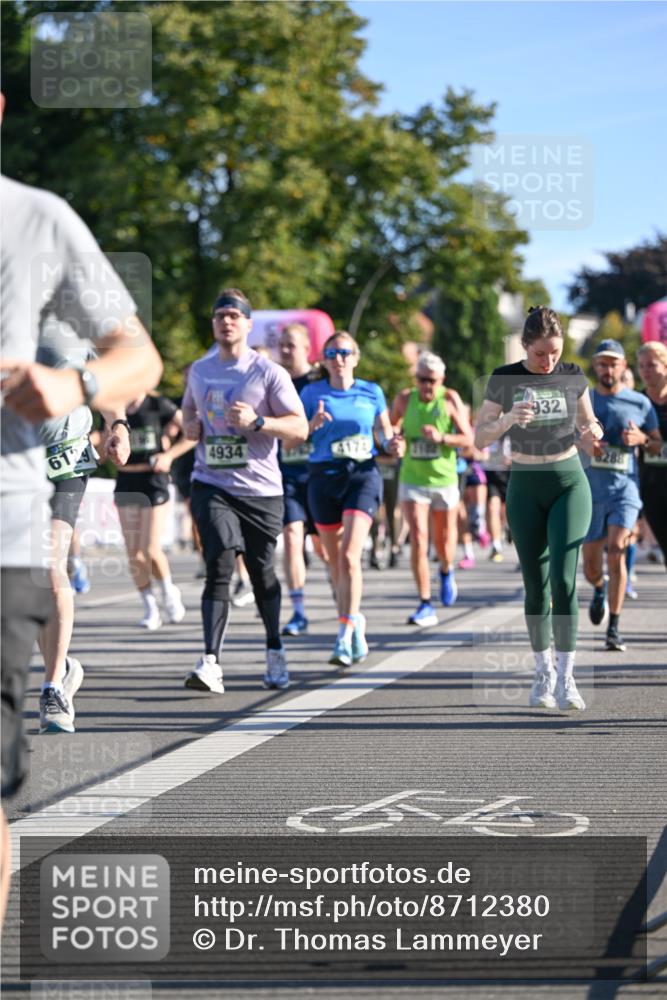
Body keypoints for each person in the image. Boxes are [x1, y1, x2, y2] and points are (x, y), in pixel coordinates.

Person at [0, 145, 162, 923]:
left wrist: (94, 401)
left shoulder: (43, 228)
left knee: (59, 567)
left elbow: (132, 361)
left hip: (38, 487)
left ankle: (58, 681)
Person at [475, 306, 602, 712]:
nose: (547, 362)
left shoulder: (573, 375)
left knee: (565, 582)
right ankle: (542, 671)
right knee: (536, 585)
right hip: (525, 485)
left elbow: (590, 427)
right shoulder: (505, 378)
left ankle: (567, 676)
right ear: (525, 345)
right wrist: (510, 417)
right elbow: (480, 437)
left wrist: (593, 433)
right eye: (540, 354)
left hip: (567, 481)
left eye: (554, 353)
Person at [182, 289, 308, 693]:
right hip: (211, 482)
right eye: (220, 315)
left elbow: (298, 427)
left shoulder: (268, 373)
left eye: (235, 315)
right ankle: (211, 662)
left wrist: (258, 423)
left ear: (249, 325)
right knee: (219, 557)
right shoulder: (199, 370)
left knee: (261, 571)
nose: (227, 321)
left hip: (261, 489)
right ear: (214, 324)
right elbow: (188, 409)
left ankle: (274, 647)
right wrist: (189, 426)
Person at [35, 322, 132, 734]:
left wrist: (118, 427)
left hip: (65, 460)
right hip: (13, 462)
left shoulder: (71, 323)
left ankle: (53, 685)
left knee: (48, 563)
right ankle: (64, 667)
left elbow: (107, 384)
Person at [300, 331, 404, 666]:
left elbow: (384, 433)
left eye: (345, 352)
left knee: (349, 556)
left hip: (362, 475)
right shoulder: (312, 392)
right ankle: (354, 618)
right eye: (332, 352)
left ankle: (343, 633)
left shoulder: (371, 391)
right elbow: (295, 436)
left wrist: (392, 445)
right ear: (325, 359)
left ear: (356, 357)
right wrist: (310, 426)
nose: (339, 358)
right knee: (334, 563)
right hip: (323, 477)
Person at [581, 340, 661, 651]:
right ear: (596, 367)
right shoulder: (584, 401)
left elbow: (656, 443)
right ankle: (599, 588)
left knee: (616, 550)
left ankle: (613, 627)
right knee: (590, 566)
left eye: (614, 363)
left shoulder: (640, 403)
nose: (608, 368)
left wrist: (641, 438)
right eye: (602, 363)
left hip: (625, 489)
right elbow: (570, 439)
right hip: (590, 491)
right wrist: (586, 443)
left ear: (623, 367)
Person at [391, 352, 473, 627]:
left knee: (445, 539)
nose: (426, 386)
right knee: (418, 536)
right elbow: (390, 429)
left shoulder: (449, 399)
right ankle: (425, 602)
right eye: (421, 380)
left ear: (442, 380)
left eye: (431, 381)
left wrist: (442, 438)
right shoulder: (404, 399)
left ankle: (447, 570)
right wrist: (396, 440)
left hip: (444, 480)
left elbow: (468, 439)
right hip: (413, 479)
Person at [114, 391, 193, 629]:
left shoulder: (158, 404)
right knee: (133, 553)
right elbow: (101, 436)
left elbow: (192, 433)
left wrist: (169, 455)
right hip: (126, 481)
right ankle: (149, 606)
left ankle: (169, 592)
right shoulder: (114, 406)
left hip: (153, 481)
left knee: (150, 549)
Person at [277, 322, 325, 636]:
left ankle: (344, 598)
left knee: (325, 549)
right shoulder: (273, 380)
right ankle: (298, 611)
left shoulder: (319, 380)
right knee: (293, 539)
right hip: (288, 474)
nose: (284, 349)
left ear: (307, 348)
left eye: (291, 344)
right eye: (281, 344)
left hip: (321, 473)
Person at [637, 341, 667, 569]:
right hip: (651, 484)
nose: (646, 371)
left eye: (651, 365)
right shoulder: (637, 402)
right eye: (642, 366)